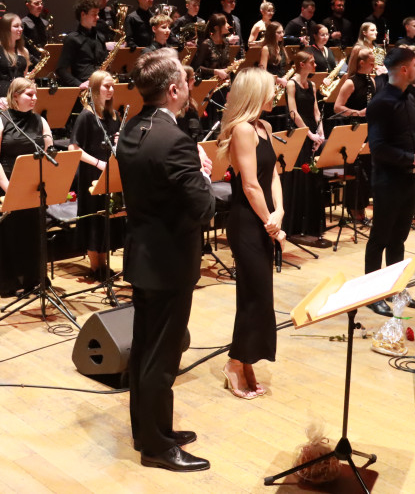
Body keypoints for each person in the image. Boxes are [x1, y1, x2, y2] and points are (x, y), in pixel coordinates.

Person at [116, 49, 214, 472]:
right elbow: (204, 207)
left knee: (145, 352)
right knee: (162, 356)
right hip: (170, 263)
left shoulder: (132, 127)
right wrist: (205, 173)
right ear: (174, 90)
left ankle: (150, 429)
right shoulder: (174, 140)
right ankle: (156, 447)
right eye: (186, 82)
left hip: (144, 258)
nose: (190, 87)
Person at [216, 67, 285, 399]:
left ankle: (245, 359)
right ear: (256, 92)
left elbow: (273, 176)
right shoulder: (242, 130)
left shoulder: (265, 127)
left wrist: (280, 212)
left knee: (261, 296)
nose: (276, 95)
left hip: (265, 219)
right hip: (246, 222)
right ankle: (235, 361)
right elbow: (250, 184)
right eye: (272, 89)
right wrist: (270, 220)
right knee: (253, 296)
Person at [365, 47, 415, 316]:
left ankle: (396, 289)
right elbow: (378, 148)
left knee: (399, 239)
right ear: (404, 69)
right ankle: (372, 294)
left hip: (409, 178)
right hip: (387, 180)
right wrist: (411, 158)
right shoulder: (380, 103)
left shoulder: (411, 94)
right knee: (379, 238)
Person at [0, 77, 52, 296]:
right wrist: (10, 188)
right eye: (29, 95)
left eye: (35, 95)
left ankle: (34, 279)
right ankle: (11, 282)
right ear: (15, 97)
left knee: (33, 232)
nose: (34, 98)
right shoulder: (0, 121)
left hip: (33, 184)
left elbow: (49, 153)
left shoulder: (40, 121)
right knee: (11, 233)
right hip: (7, 183)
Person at [69, 70, 120, 278]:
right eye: (106, 86)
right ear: (95, 89)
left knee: (106, 216)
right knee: (93, 217)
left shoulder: (113, 114)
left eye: (112, 86)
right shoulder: (86, 116)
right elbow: (74, 148)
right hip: (91, 171)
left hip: (109, 172)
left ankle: (104, 264)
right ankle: (95, 266)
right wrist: (99, 163)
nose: (110, 90)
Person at [285, 51, 327, 241]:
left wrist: (321, 134)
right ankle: (295, 225)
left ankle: (312, 224)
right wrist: (309, 133)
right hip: (300, 134)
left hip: (312, 134)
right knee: (300, 177)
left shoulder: (312, 84)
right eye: (312, 62)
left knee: (314, 178)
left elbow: (316, 111)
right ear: (302, 64)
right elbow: (293, 112)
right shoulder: (291, 84)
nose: (315, 65)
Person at [333, 46, 376, 223]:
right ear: (361, 63)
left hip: (370, 129)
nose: (374, 66)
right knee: (356, 172)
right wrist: (358, 113)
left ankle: (363, 208)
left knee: (368, 170)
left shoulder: (372, 81)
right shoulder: (350, 82)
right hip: (354, 129)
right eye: (371, 63)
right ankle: (354, 209)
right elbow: (337, 108)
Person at [56, 0, 108, 88]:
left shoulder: (100, 37)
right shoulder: (72, 39)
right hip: (83, 89)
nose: (97, 17)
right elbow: (61, 70)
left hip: (101, 86)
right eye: (94, 14)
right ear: (83, 14)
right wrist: (79, 84)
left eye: (98, 13)